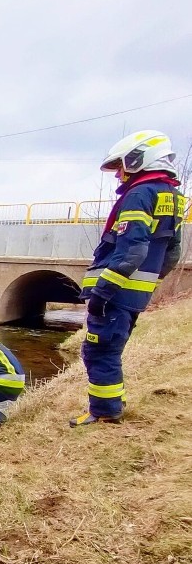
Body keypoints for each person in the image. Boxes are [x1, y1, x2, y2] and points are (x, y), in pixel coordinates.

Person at [71, 130, 184, 426]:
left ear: (139, 159)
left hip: (115, 294)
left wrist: (102, 293)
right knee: (111, 349)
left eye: (121, 166)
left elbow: (131, 251)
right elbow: (172, 253)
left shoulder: (139, 194)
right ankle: (113, 402)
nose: (119, 174)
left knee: (99, 350)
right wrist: (146, 286)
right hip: (133, 296)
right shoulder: (171, 197)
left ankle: (104, 411)